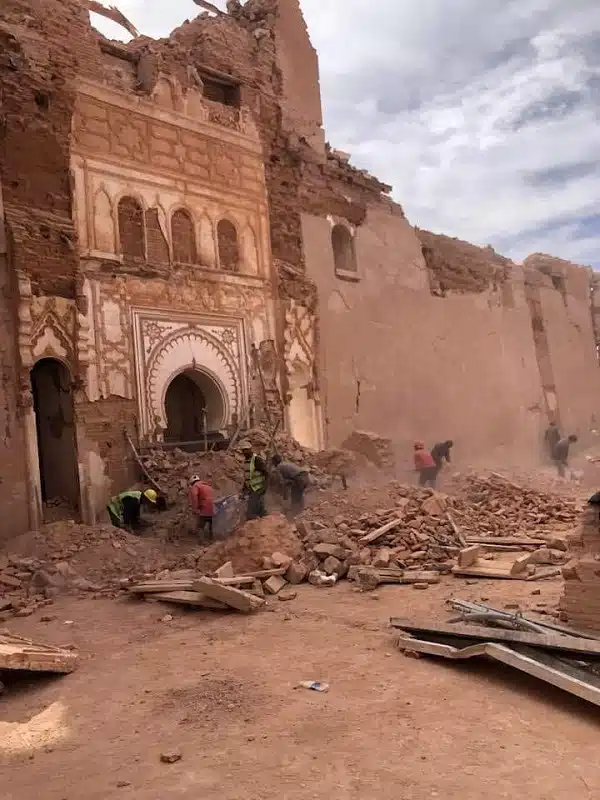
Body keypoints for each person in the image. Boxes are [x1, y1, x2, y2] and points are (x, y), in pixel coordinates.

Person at [238, 439, 268, 520]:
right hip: (252, 489)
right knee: (261, 511)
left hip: (258, 488)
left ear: (250, 449)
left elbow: (266, 473)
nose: (244, 452)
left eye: (246, 450)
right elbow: (247, 478)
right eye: (243, 450)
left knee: (250, 513)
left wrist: (264, 487)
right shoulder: (247, 461)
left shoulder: (257, 460)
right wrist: (244, 490)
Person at [188, 474, 214, 539]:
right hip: (212, 508)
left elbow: (194, 497)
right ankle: (212, 540)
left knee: (200, 527)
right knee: (211, 525)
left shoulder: (195, 486)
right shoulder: (208, 486)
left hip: (204, 508)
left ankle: (202, 543)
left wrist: (195, 509)